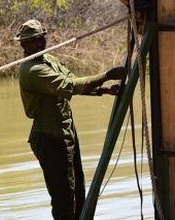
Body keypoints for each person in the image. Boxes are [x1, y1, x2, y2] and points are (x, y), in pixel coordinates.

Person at [15, 19, 126, 220]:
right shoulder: (32, 70)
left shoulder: (48, 60)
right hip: (49, 138)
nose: (39, 44)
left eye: (41, 39)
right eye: (33, 41)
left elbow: (73, 84)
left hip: (66, 132)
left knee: (78, 192)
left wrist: (103, 90)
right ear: (23, 44)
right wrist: (106, 75)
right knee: (63, 199)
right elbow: (70, 85)